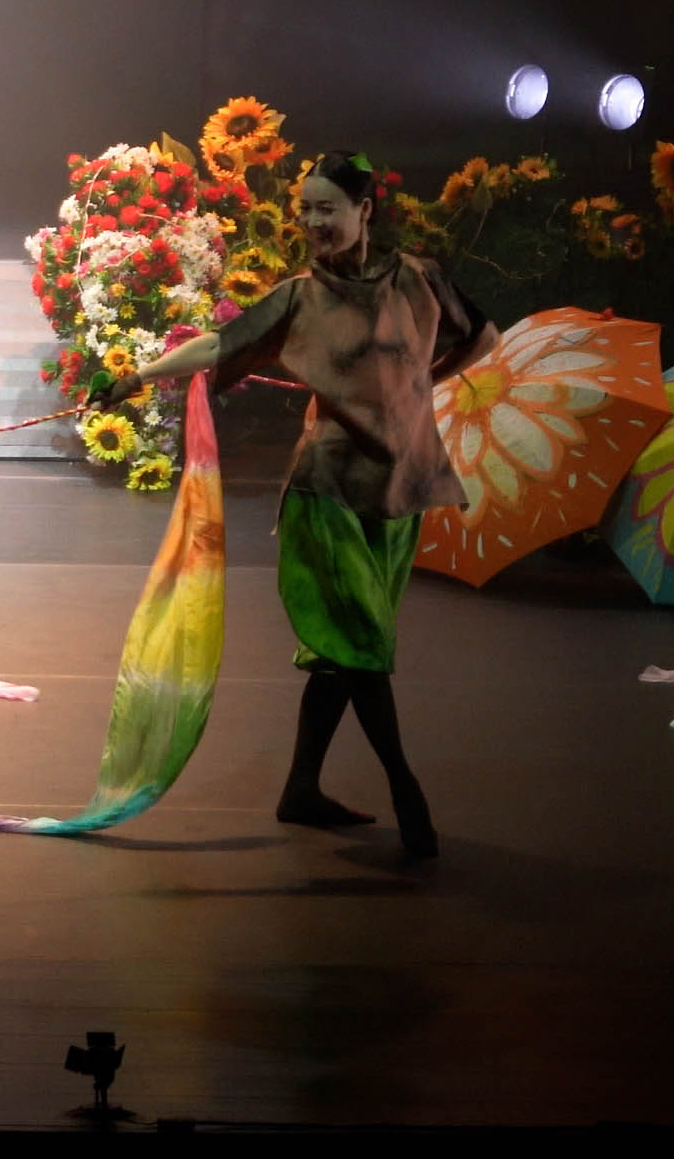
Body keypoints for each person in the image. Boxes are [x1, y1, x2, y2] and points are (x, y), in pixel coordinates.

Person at [117, 151, 494, 860]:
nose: (313, 222)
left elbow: (484, 336)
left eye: (328, 209)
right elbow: (219, 343)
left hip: (399, 487)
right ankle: (404, 786)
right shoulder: (299, 298)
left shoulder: (418, 279)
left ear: (364, 210)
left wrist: (427, 381)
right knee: (363, 647)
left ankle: (300, 788)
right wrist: (138, 376)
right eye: (305, 210)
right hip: (328, 487)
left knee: (342, 650)